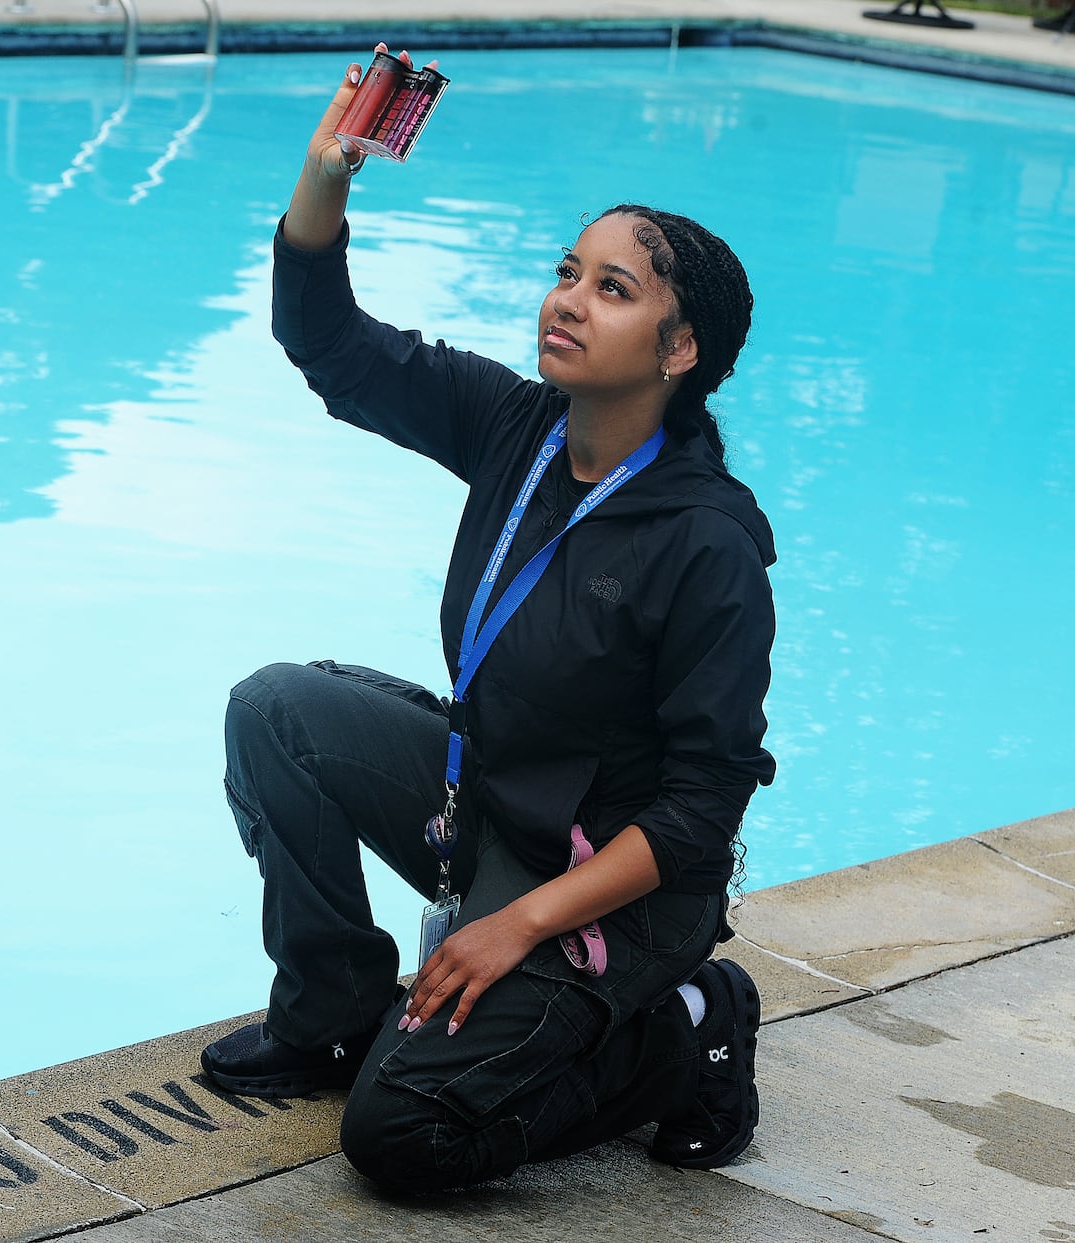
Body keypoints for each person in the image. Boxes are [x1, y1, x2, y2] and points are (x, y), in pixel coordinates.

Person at [201, 44, 777, 1193]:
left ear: (679, 350)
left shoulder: (706, 540)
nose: (566, 299)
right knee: (281, 711)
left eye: (613, 289)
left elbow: (701, 810)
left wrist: (517, 926)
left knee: (404, 1139)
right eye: (568, 271)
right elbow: (333, 349)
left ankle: (687, 1028)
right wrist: (329, 175)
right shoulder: (519, 430)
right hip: (490, 805)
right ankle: (327, 1016)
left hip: (615, 878)